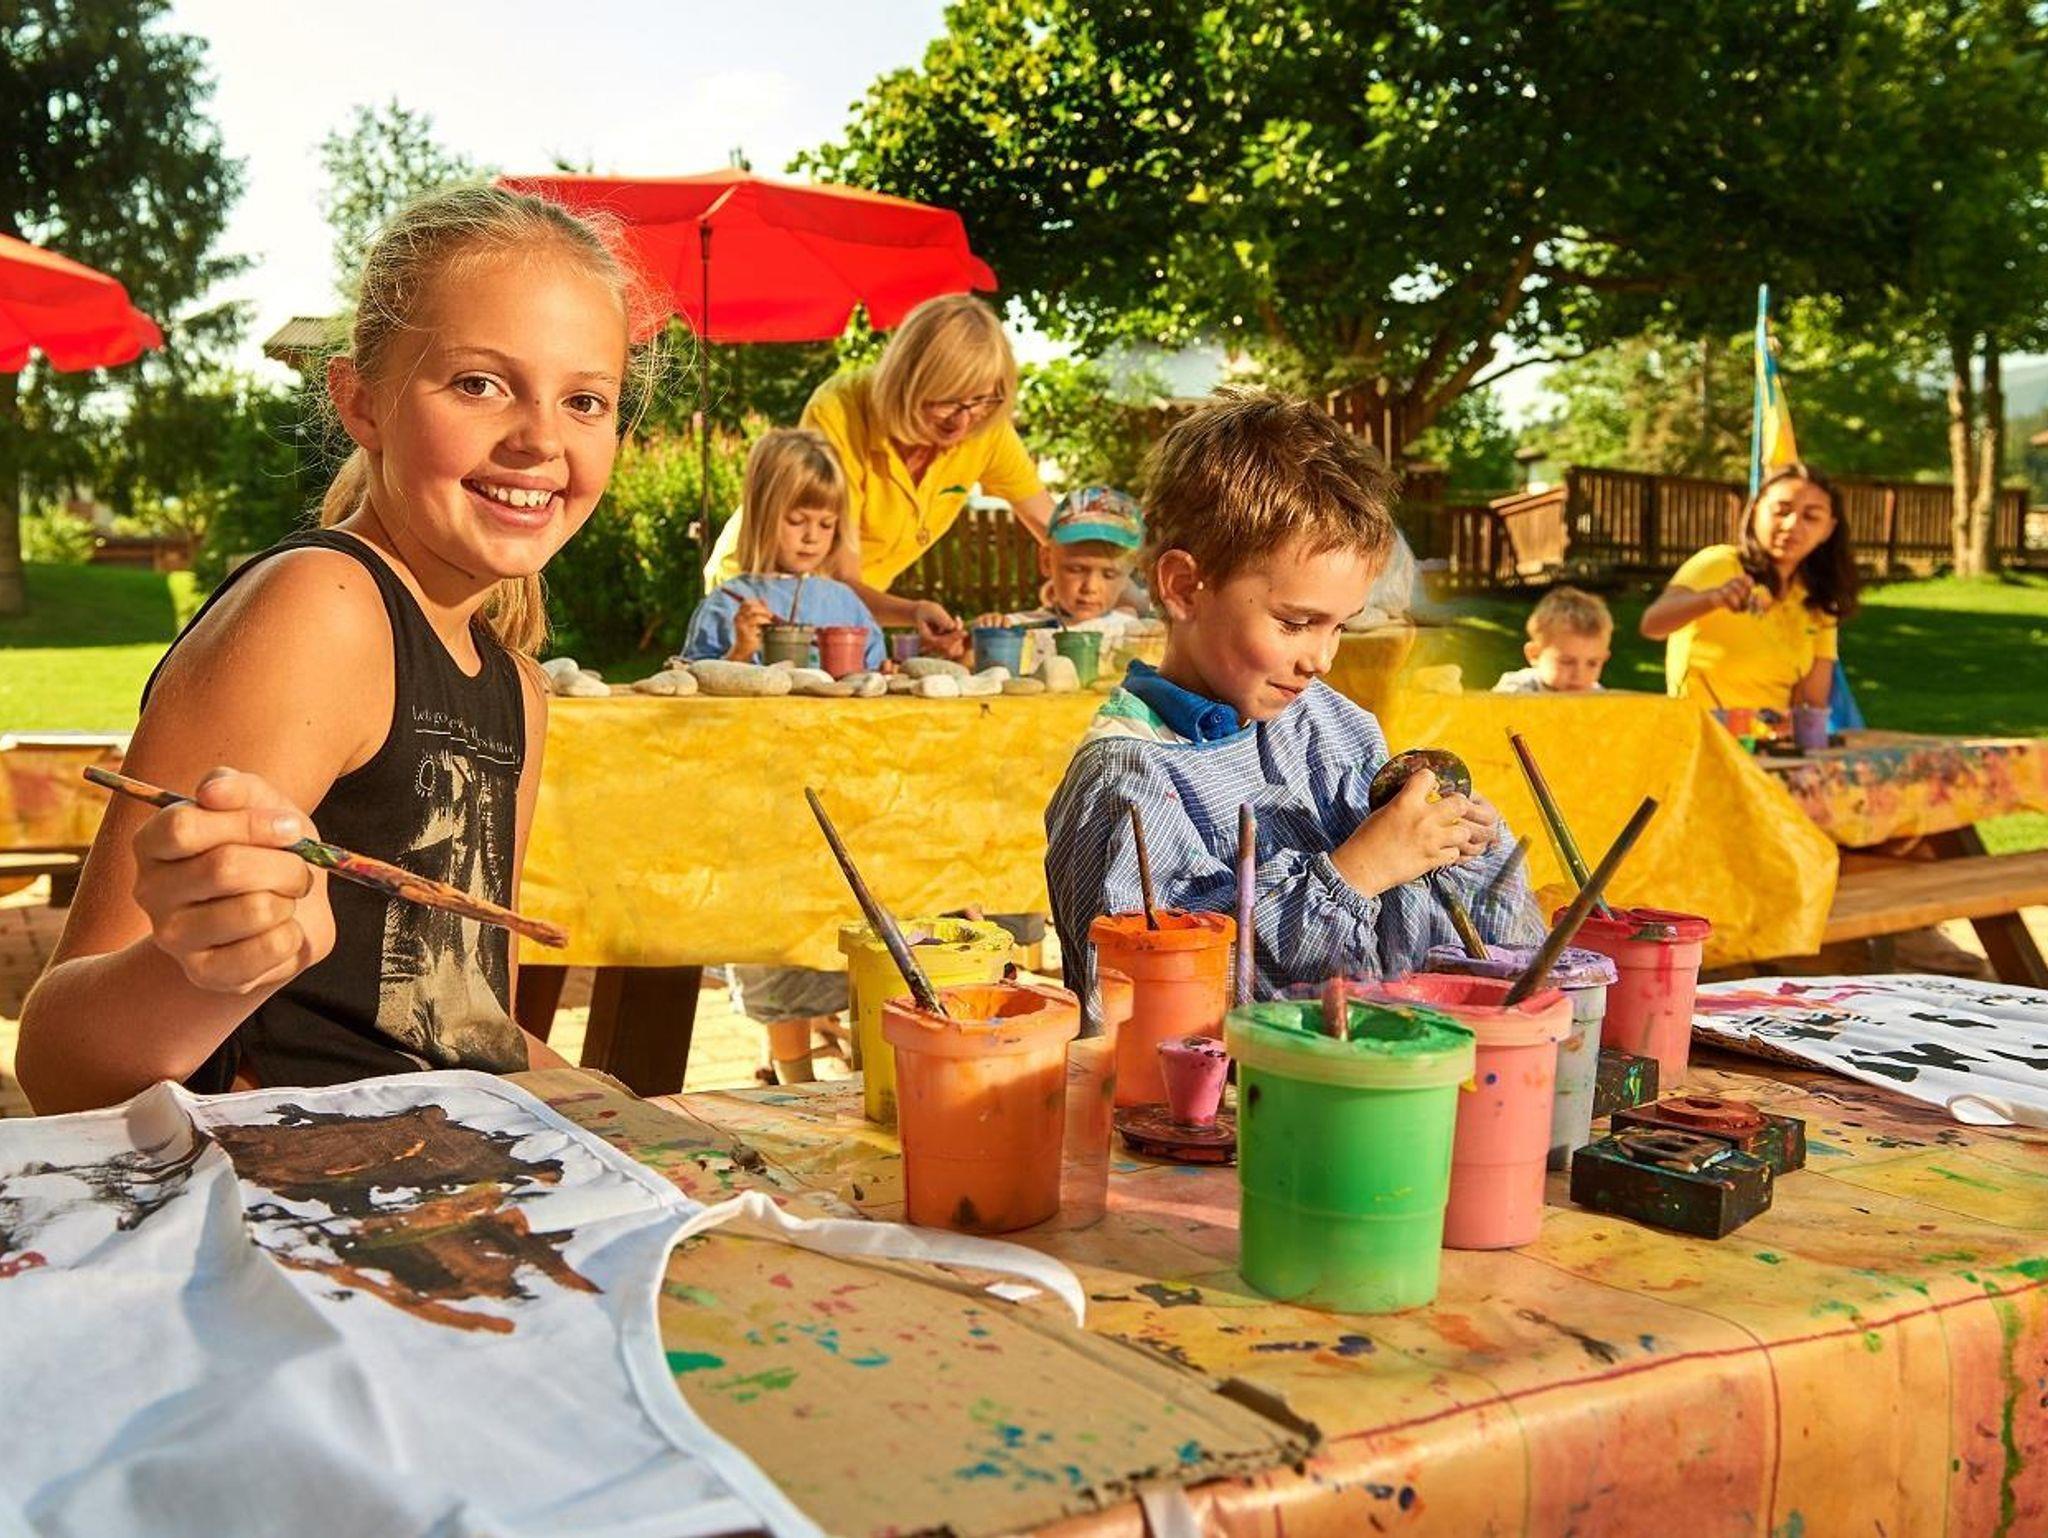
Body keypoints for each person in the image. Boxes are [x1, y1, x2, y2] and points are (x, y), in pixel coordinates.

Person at [18, 185, 654, 1112]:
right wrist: (204, 972)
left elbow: (466, 1023)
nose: (539, 439)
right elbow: (58, 1065)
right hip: (286, 1179)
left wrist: (621, 1110)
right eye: (479, 384)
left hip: (458, 1163)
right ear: (361, 402)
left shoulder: (518, 687)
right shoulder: (326, 607)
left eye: (585, 400)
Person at [1043, 391, 1538, 1009]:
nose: (1321, 658)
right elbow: (1145, 1004)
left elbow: (1416, 964)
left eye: (1341, 626)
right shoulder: (1128, 781)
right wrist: (1355, 873)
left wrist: (1453, 853)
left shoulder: (1335, 730)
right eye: (1296, 622)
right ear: (1184, 588)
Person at [704, 294, 1054, 654]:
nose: (963, 421)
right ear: (910, 382)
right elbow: (838, 576)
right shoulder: (841, 412)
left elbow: (1054, 528)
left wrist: (1077, 574)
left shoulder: (986, 430)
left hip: (842, 606)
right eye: (947, 401)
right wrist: (911, 612)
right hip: (760, 590)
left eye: (981, 400)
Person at [1641, 464, 1858, 712]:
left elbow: (1811, 702)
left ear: (1828, 530)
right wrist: (1712, 599)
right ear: (1755, 510)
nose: (1792, 524)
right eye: (1782, 511)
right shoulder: (1720, 564)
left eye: (1811, 517)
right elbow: (1652, 625)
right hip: (1702, 729)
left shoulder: (1818, 599)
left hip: (1769, 734)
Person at [680, 428, 883, 672]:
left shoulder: (846, 604)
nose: (812, 537)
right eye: (796, 521)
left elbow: (876, 673)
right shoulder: (726, 604)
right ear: (761, 516)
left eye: (826, 524)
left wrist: (886, 673)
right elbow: (692, 685)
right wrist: (739, 653)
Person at [973, 484, 1156, 671]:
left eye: (1109, 574)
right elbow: (973, 667)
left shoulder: (1135, 634)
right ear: (1046, 561)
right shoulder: (1017, 631)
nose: (1090, 587)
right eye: (1076, 569)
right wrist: (988, 632)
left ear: (1129, 574)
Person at [1494, 586, 1613, 694]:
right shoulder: (1516, 691)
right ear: (1535, 654)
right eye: (1567, 662)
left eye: (1592, 663)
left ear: (1604, 658)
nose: (1580, 675)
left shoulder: (1598, 697)